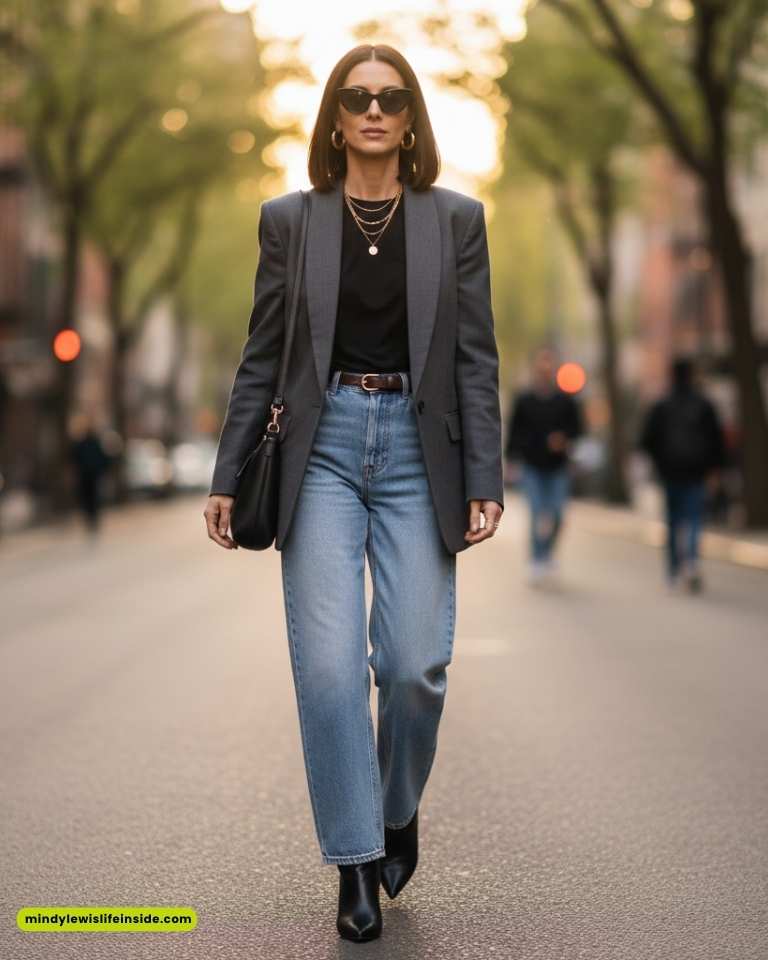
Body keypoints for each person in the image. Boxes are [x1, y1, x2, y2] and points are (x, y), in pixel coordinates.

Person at [203, 44, 505, 942]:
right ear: (335, 117)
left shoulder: (456, 220)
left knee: (412, 667)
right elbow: (262, 354)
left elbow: (475, 358)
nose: (375, 110)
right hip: (321, 450)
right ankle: (356, 861)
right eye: (357, 97)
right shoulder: (290, 221)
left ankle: (395, 807)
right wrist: (227, 475)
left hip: (419, 450)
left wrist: (485, 476)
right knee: (331, 673)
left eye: (392, 98)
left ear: (411, 121)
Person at [638, 357, 726, 593]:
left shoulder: (661, 405)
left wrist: (659, 463)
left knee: (673, 522)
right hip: (697, 472)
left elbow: (646, 440)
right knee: (694, 518)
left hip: (670, 473)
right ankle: (691, 561)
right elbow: (716, 440)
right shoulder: (704, 404)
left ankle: (673, 571)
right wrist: (714, 469)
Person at [504, 347, 583, 585]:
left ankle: (548, 553)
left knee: (557, 513)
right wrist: (511, 460)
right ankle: (537, 558)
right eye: (541, 364)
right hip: (531, 466)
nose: (545, 369)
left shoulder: (566, 401)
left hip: (558, 467)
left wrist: (564, 440)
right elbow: (514, 432)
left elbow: (577, 429)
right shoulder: (524, 399)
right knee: (537, 512)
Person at [69, 412, 112, 538]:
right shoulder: (92, 443)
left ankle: (91, 518)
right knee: (91, 497)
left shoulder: (87, 444)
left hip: (89, 475)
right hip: (90, 475)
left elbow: (74, 457)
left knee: (89, 497)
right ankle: (92, 518)